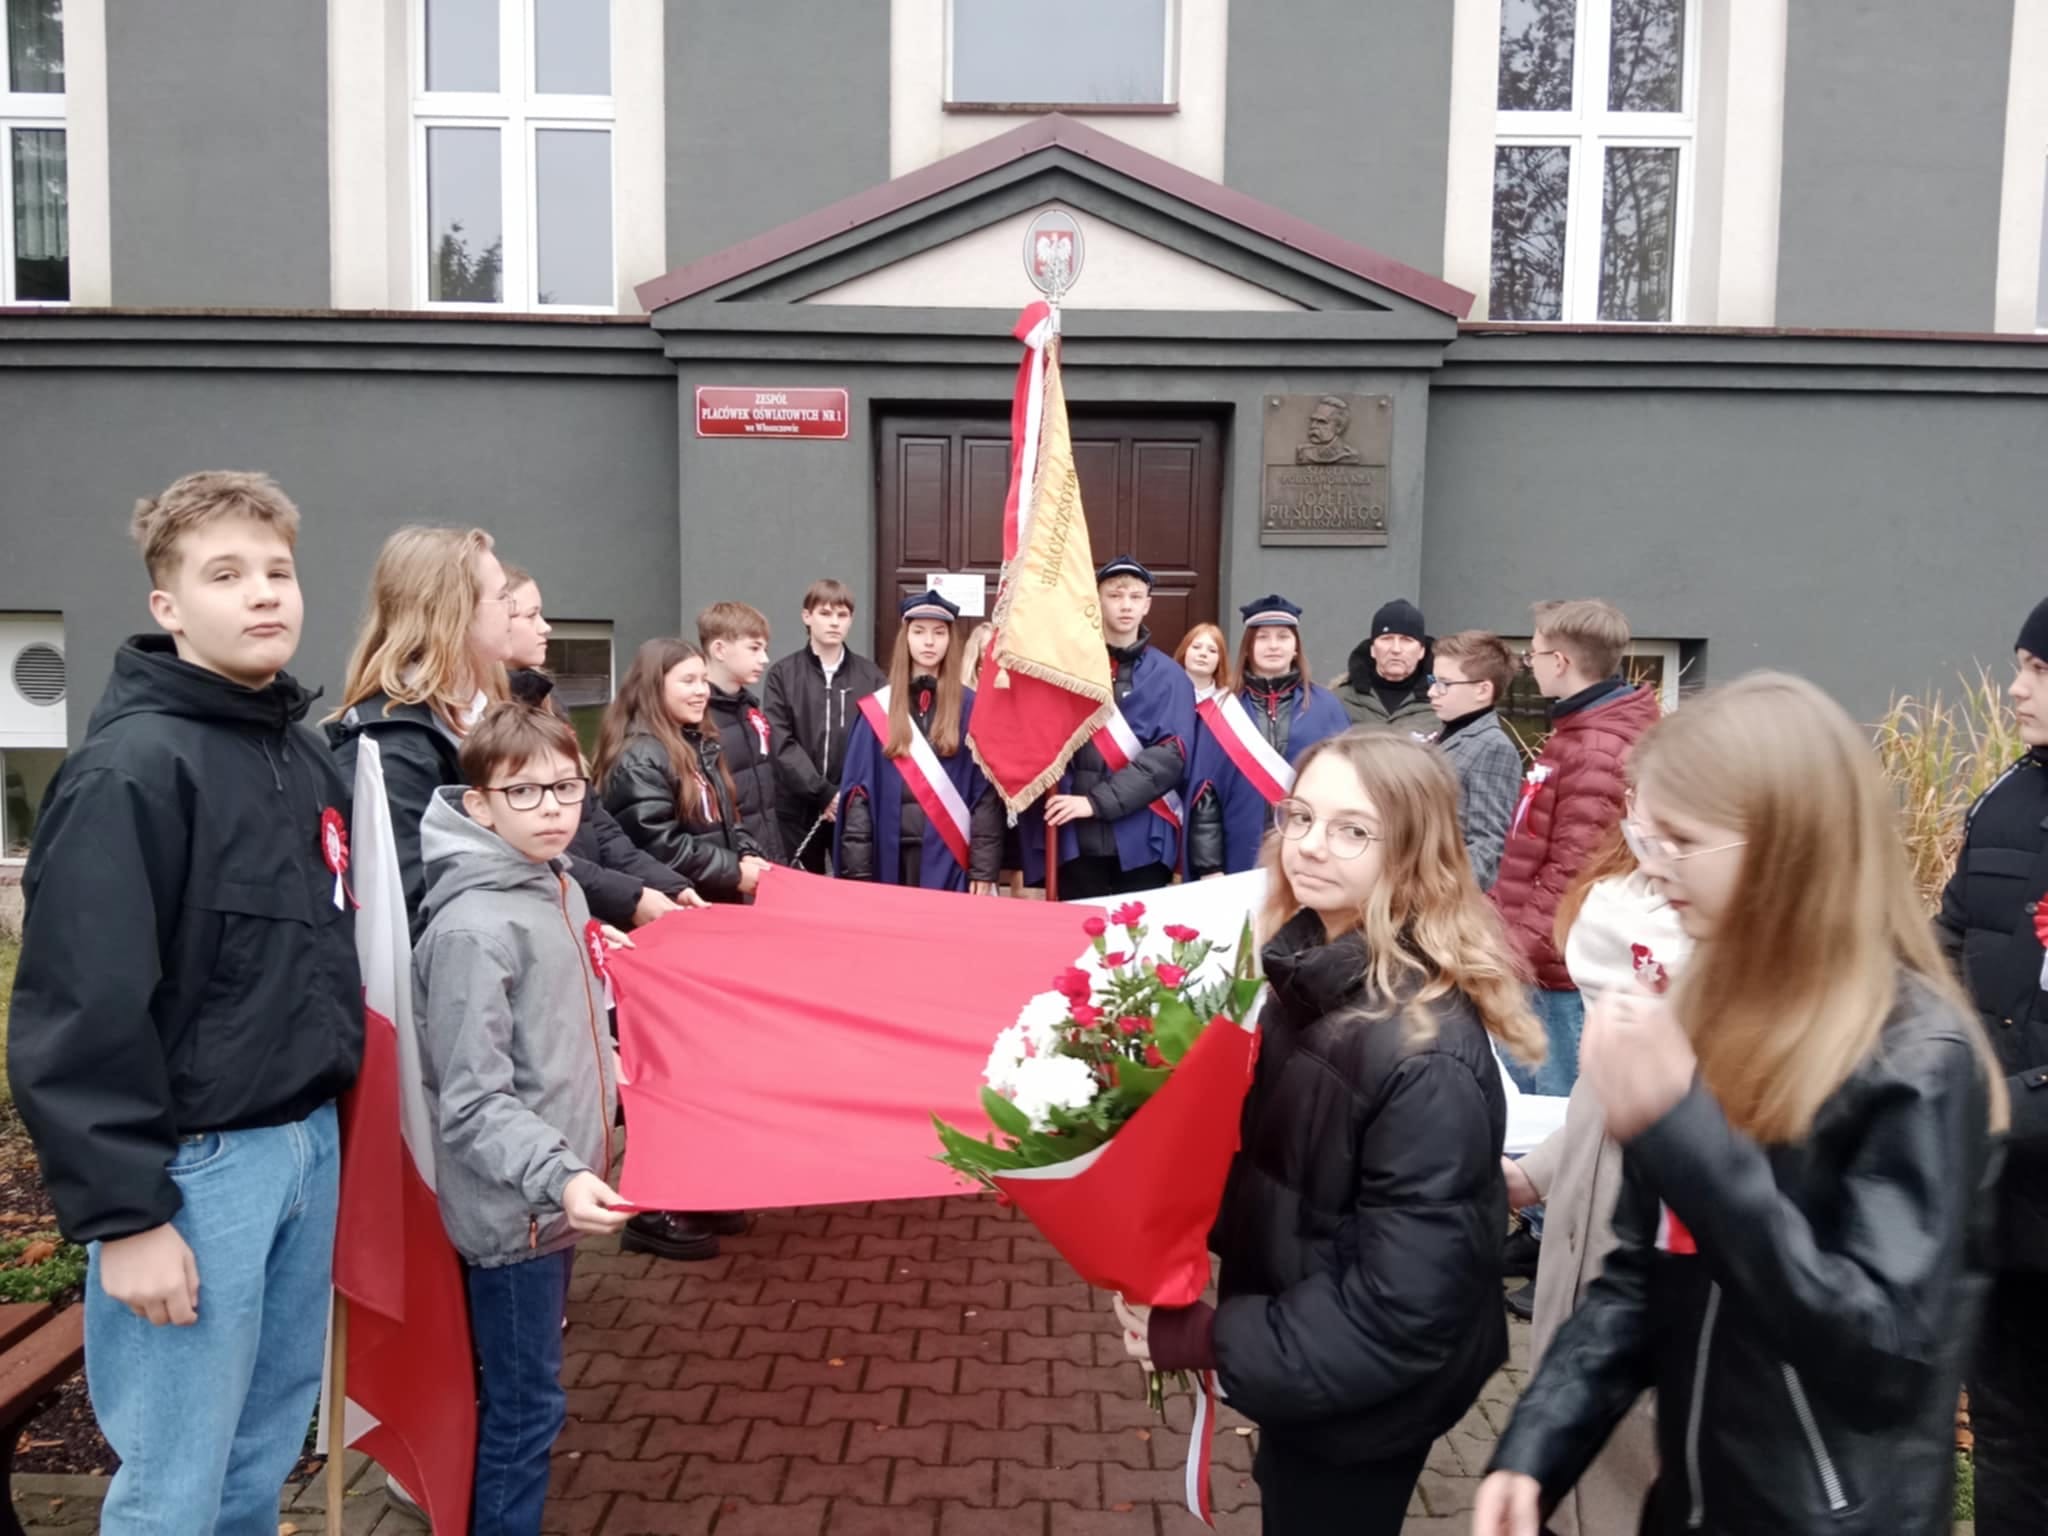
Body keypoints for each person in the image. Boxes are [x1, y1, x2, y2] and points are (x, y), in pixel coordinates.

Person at [1475, 672, 2008, 1536]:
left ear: (1786, 845)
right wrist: (1537, 1445)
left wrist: (1687, 1138)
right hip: (1694, 1503)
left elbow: (1884, 1357)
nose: (1650, 868)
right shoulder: (1704, 1010)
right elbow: (1638, 1280)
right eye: (1644, 836)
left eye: (1680, 841)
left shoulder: (1918, 1057)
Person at [8, 471, 363, 1534]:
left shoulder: (303, 756)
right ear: (167, 606)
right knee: (175, 1486)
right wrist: (127, 1217)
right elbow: (79, 1007)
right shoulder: (132, 771)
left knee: (259, 1459)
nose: (263, 594)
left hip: (307, 1147)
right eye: (226, 575)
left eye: (278, 572)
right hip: (199, 1174)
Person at [1113, 732, 1544, 1536]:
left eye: (1353, 830)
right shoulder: (1316, 972)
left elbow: (1404, 1308)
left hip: (1367, 1394)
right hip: (1311, 1352)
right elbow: (1297, 1173)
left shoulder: (1420, 1055)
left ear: (1413, 854)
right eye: (1301, 816)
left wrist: (1212, 1336)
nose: (1311, 845)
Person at [413, 703, 629, 1535]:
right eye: (525, 791)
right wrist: (561, 1175)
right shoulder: (474, 929)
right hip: (517, 1218)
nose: (552, 809)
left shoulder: (557, 885)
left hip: (556, 1200)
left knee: (527, 1397)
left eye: (567, 787)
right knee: (523, 1410)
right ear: (479, 804)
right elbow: (472, 1101)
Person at [1498, 822, 1690, 1528]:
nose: (1642, 821)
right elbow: (1595, 1097)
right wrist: (1535, 1174)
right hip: (1581, 1244)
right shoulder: (1630, 890)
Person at [1935, 594, 2048, 1536]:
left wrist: (1997, 1104)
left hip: (2010, 1130)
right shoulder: (2008, 798)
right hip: (2005, 1198)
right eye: (2019, 666)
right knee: (2009, 1433)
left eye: (2040, 670)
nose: (2016, 689)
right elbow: (1944, 946)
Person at [1491, 600, 1660, 1096]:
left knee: (1555, 1112)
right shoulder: (1577, 732)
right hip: (1538, 959)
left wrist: (1515, 951)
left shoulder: (1596, 749)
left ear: (1561, 661)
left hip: (1555, 971)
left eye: (1534, 653)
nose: (1530, 664)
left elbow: (1573, 872)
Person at [327, 526, 510, 931]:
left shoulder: (476, 717)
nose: (512, 610)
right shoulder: (392, 750)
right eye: (502, 597)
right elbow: (414, 915)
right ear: (453, 612)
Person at [498, 564, 701, 928]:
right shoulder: (490, 720)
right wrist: (631, 896)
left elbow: (596, 823)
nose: (546, 627)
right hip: (559, 914)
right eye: (531, 615)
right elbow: (538, 854)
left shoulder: (547, 703)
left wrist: (668, 884)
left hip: (587, 904)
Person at [1041, 556, 1196, 899]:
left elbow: (1169, 758)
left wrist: (1095, 803)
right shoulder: (1067, 670)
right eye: (1115, 595)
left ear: (1147, 605)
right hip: (1076, 834)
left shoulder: (1170, 677)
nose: (1126, 605)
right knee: (1078, 930)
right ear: (1097, 600)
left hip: (1143, 834)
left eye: (1135, 596)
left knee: (1139, 931)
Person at [834, 590, 1002, 891]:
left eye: (939, 633)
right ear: (906, 638)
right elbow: (859, 798)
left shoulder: (971, 708)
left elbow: (985, 796)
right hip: (889, 860)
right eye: (919, 631)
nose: (929, 641)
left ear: (950, 640)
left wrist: (983, 869)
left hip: (950, 861)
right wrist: (857, 873)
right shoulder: (877, 709)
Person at [1185, 596, 1349, 880]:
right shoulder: (1220, 710)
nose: (1273, 645)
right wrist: (1210, 867)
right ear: (1248, 647)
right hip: (1237, 857)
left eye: (1283, 637)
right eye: (1263, 637)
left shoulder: (1327, 708)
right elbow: (1204, 797)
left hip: (1311, 855)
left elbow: (1345, 788)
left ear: (1295, 647)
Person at [762, 579, 887, 873]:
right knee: (800, 888)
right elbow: (780, 741)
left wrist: (847, 793)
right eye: (825, 613)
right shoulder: (783, 674)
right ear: (807, 617)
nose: (834, 622)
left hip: (853, 805)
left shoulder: (871, 677)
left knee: (852, 888)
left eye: (842, 615)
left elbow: (880, 740)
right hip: (796, 808)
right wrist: (822, 792)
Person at [1429, 630, 1524, 890]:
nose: (1432, 692)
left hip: (1444, 893)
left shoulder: (1493, 747)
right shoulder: (1448, 733)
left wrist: (1441, 892)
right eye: (1433, 680)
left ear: (1482, 690)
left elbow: (1489, 844)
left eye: (1444, 683)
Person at [698, 600, 785, 862]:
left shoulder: (750, 710)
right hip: (729, 862)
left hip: (766, 853)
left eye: (765, 649)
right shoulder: (698, 718)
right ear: (719, 649)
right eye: (754, 648)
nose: (764, 659)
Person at [1334, 598, 1436, 737]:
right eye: (1387, 639)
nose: (1396, 649)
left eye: (1406, 640)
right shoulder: (1340, 701)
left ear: (1421, 651)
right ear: (1372, 649)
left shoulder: (1439, 702)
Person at [1173, 621, 1233, 700]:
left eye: (1212, 650)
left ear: (1220, 659)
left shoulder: (1227, 701)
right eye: (1196, 647)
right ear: (1184, 651)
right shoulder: (1167, 691)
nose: (1203, 653)